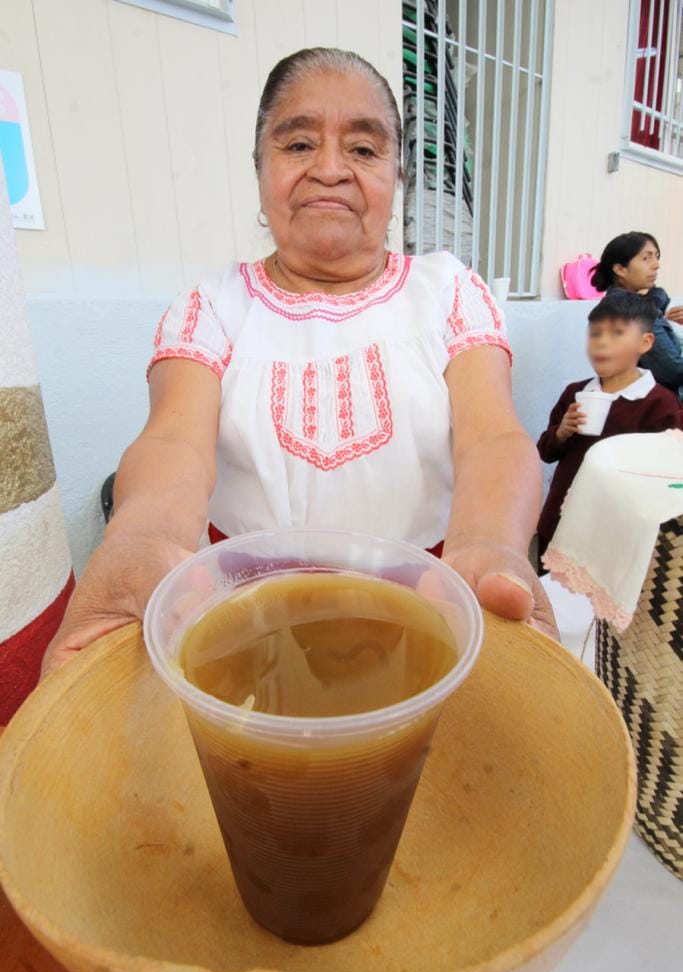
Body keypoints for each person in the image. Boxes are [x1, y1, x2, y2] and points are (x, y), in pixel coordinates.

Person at [43, 47, 555, 675]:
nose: (331, 170)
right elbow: (174, 442)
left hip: (428, 605)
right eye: (298, 145)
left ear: (397, 178)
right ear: (260, 169)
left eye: (364, 150)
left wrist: (492, 545)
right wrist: (139, 540)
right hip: (243, 619)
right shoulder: (213, 306)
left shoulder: (447, 292)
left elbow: (493, 436)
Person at [536, 291, 681, 560]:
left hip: (616, 531)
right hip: (560, 521)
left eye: (617, 333)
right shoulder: (575, 393)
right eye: (595, 334)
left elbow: (667, 475)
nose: (602, 343)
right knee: (553, 594)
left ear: (646, 342)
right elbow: (545, 451)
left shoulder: (660, 403)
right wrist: (561, 433)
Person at [590, 231, 683, 401]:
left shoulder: (645, 303)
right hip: (652, 409)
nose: (656, 265)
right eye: (646, 258)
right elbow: (673, 371)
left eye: (656, 256)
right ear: (620, 269)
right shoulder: (634, 310)